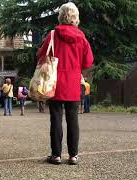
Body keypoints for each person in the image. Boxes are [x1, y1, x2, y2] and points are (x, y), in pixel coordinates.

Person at [37, 2, 93, 165]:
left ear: (61, 16)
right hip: (73, 84)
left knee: (56, 119)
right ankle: (73, 155)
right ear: (76, 18)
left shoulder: (53, 35)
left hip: (54, 84)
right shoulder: (81, 37)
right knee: (73, 120)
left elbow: (41, 55)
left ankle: (56, 155)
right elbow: (88, 62)